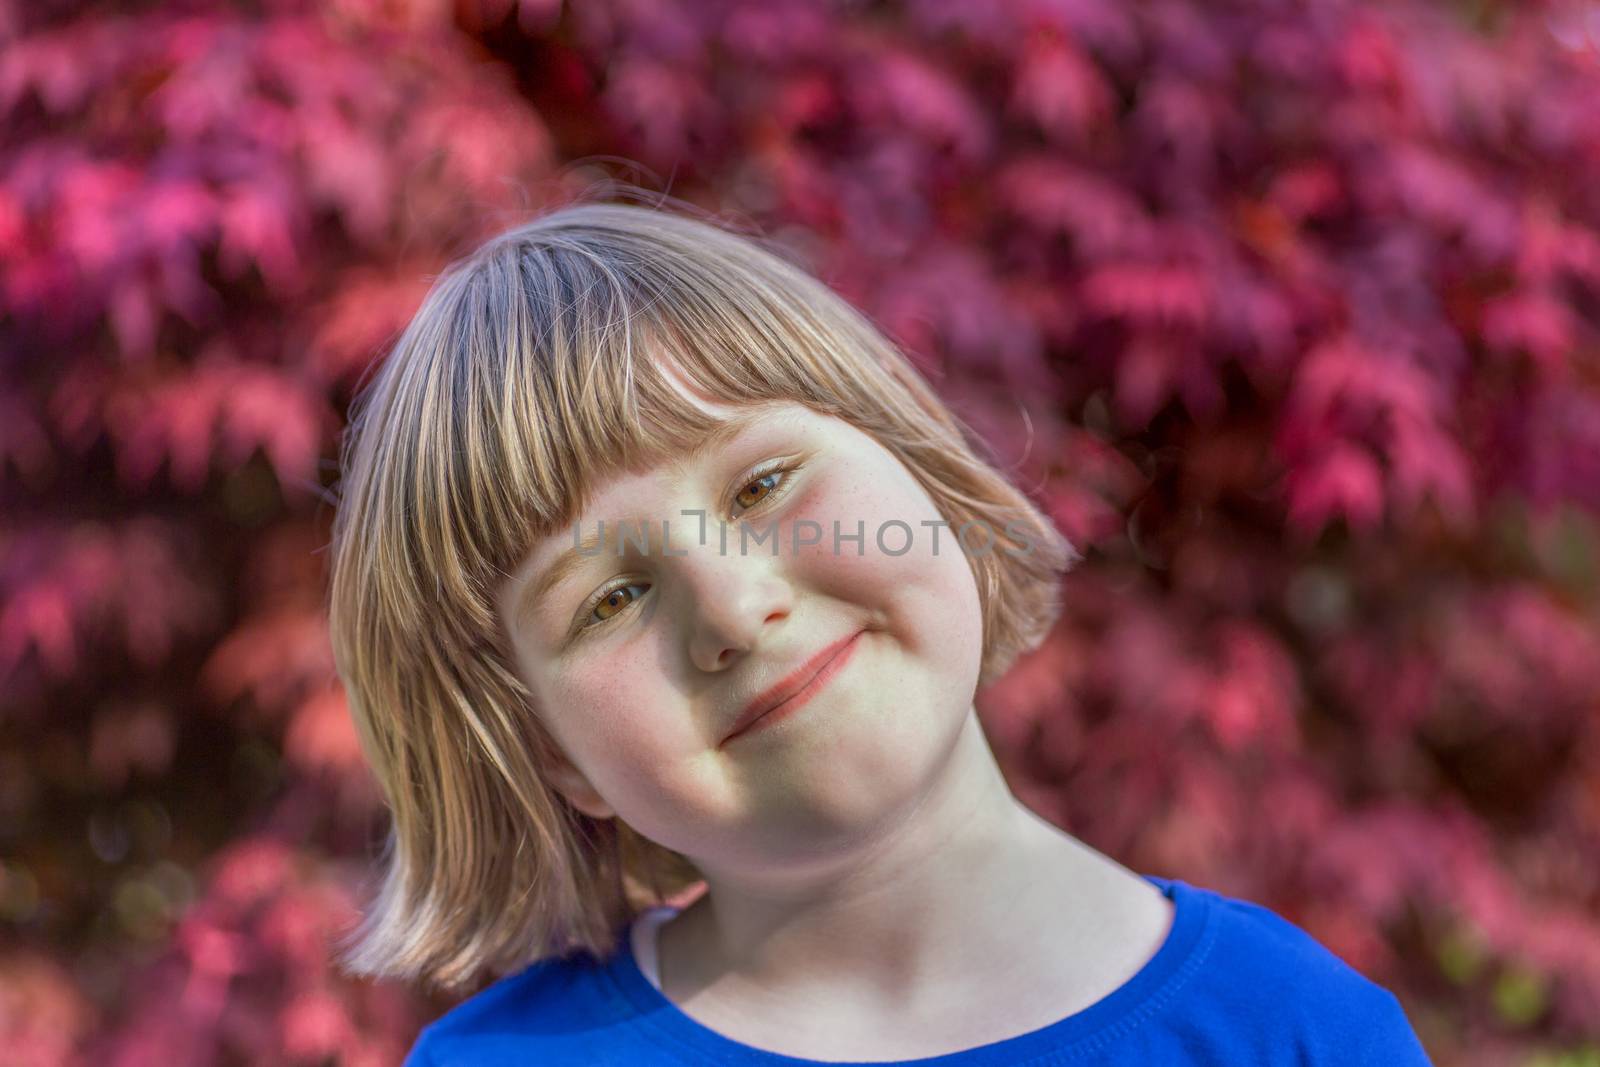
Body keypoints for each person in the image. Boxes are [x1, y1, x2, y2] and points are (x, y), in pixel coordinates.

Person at [326, 193, 1434, 1065]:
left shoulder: (1297, 1035)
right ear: (552, 748)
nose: (733, 605)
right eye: (607, 599)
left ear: (929, 480)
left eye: (763, 483)